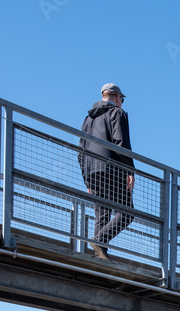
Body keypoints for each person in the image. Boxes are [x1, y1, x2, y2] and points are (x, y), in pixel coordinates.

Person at [79, 82, 135, 260]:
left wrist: (87, 180)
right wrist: (129, 170)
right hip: (112, 168)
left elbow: (81, 151)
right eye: (122, 100)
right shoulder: (117, 112)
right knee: (127, 212)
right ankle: (100, 240)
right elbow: (121, 143)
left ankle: (100, 254)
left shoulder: (88, 119)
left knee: (101, 214)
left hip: (92, 171)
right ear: (117, 97)